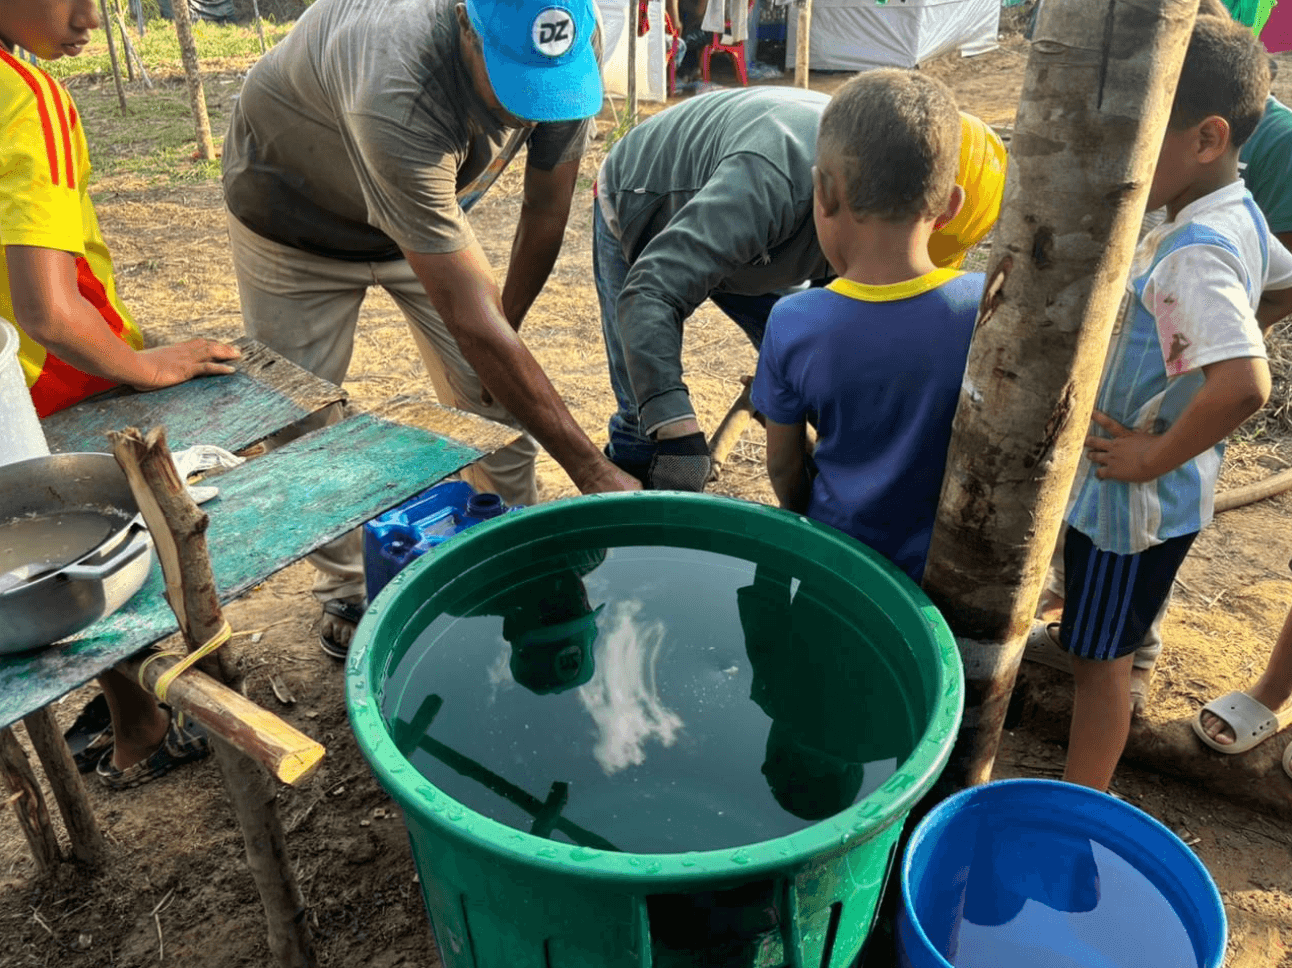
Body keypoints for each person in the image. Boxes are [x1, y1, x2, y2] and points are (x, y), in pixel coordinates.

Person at [221, 0, 639, 659]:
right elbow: (471, 321)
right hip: (292, 212)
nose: (527, 111)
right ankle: (353, 588)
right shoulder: (397, 77)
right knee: (302, 421)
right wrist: (591, 468)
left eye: (544, 89)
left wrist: (505, 336)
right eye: (513, 84)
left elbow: (545, 210)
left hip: (422, 216)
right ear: (467, 28)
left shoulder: (561, 63)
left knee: (496, 398)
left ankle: (507, 548)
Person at [1, 0, 241, 787]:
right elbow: (48, 310)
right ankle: (142, 726)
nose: (89, 19)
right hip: (43, 386)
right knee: (97, 549)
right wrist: (151, 366)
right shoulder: (24, 98)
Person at [1052, 16, 1292, 792]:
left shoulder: (1197, 251)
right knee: (1107, 637)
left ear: (1207, 138)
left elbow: (1246, 385)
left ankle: (1078, 798)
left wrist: (1150, 454)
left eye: (1143, 132)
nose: (1124, 150)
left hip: (1132, 504)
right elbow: (1283, 280)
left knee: (1101, 666)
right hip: (1158, 490)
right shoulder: (1234, 214)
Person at [594, 85, 1005, 490]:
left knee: (818, 370)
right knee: (642, 413)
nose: (883, 274)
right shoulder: (772, 180)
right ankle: (626, 521)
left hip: (766, 234)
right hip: (646, 202)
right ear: (826, 195)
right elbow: (650, 292)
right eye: (878, 251)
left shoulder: (855, 205)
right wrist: (678, 436)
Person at [749, 70, 984, 584]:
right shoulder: (984, 307)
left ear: (823, 192)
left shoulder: (794, 322)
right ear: (950, 207)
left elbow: (784, 468)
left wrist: (806, 514)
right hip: (942, 579)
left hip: (838, 568)